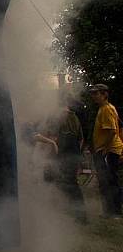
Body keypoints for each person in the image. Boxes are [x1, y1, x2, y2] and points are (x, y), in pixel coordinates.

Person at [40, 93, 86, 223]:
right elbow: (81, 139)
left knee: (51, 179)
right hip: (74, 151)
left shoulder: (56, 117)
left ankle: (56, 213)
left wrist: (48, 156)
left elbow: (52, 138)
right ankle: (79, 215)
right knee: (71, 183)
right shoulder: (75, 117)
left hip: (61, 152)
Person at [89, 83, 123, 219]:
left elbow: (112, 131)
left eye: (96, 93)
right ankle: (109, 211)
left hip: (109, 150)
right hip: (107, 149)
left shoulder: (107, 109)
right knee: (106, 180)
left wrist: (103, 148)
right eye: (92, 93)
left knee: (109, 181)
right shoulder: (105, 108)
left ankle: (114, 212)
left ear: (104, 94)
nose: (93, 96)